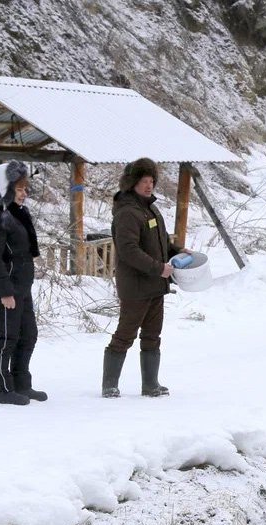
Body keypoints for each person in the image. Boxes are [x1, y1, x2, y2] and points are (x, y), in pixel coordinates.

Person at [101, 157, 190, 397]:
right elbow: (129, 250)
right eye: (144, 180)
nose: (149, 185)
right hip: (136, 286)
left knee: (152, 335)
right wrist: (157, 268)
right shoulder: (128, 212)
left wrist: (177, 251)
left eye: (152, 180)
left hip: (155, 285)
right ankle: (109, 384)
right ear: (132, 182)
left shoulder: (150, 208)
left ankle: (150, 384)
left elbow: (159, 244)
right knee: (125, 335)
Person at [0, 160, 44, 406]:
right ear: (5, 188)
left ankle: (21, 384)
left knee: (28, 335)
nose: (25, 193)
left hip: (22, 286)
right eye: (19, 189)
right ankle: (1, 389)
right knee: (6, 338)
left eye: (25, 188)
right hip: (2, 287)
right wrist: (6, 291)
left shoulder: (18, 213)